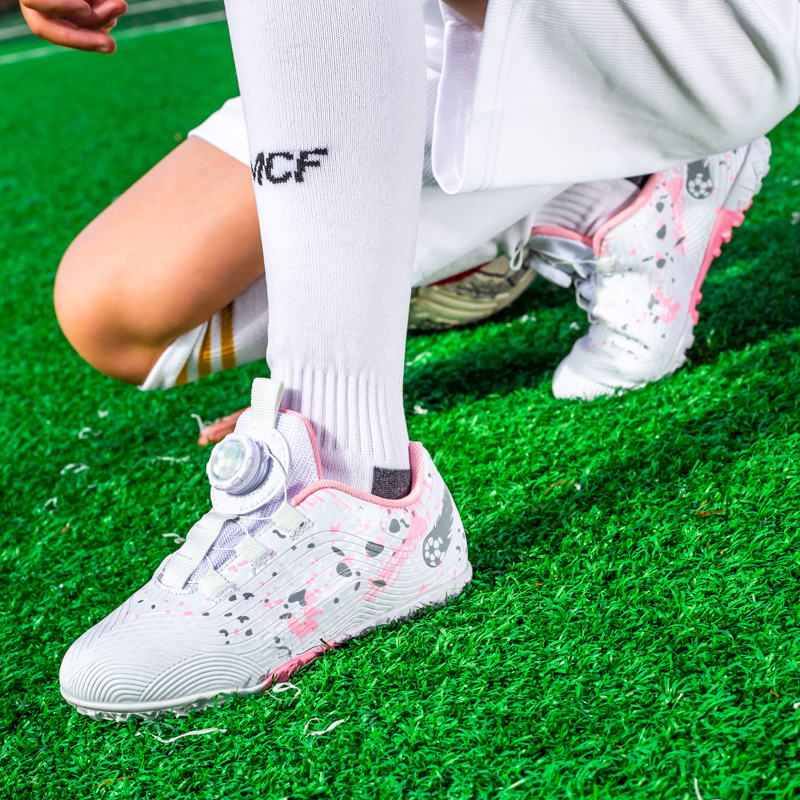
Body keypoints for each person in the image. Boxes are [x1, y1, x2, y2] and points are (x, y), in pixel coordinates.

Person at [21, 0, 793, 719]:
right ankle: (611, 191)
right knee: (118, 315)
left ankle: (351, 470)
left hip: (696, 31)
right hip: (388, 35)